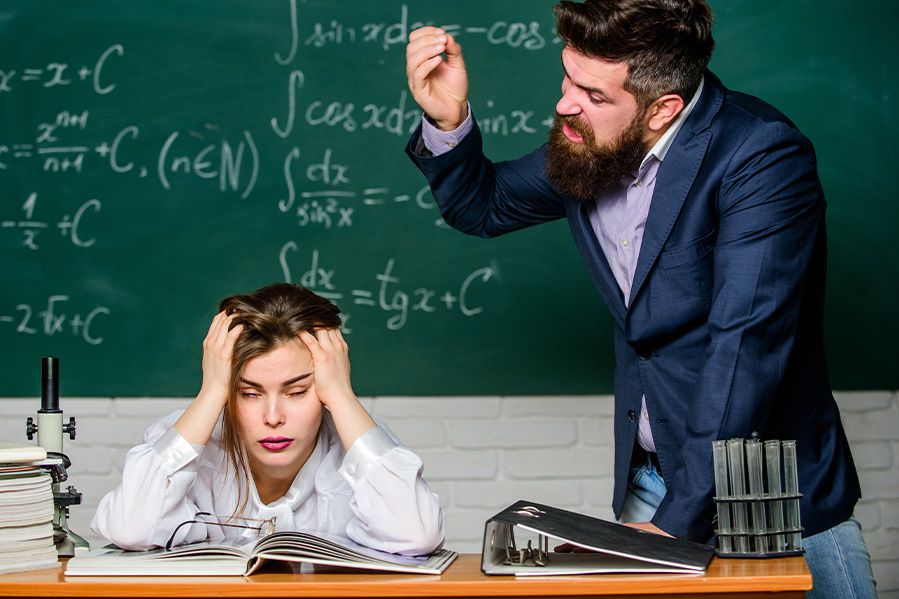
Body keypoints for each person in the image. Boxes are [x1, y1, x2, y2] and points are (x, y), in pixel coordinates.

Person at [404, 0, 875, 595]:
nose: (565, 104)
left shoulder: (761, 157)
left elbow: (744, 350)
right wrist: (449, 122)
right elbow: (484, 205)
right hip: (650, 481)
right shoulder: (592, 142)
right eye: (567, 78)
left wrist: (675, 524)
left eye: (594, 95)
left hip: (767, 495)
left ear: (663, 109)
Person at [91, 283, 445, 556]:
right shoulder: (191, 436)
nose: (273, 417)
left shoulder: (357, 441)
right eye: (249, 393)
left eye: (296, 392)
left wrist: (343, 395)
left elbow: (416, 534)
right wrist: (213, 392)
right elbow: (130, 528)